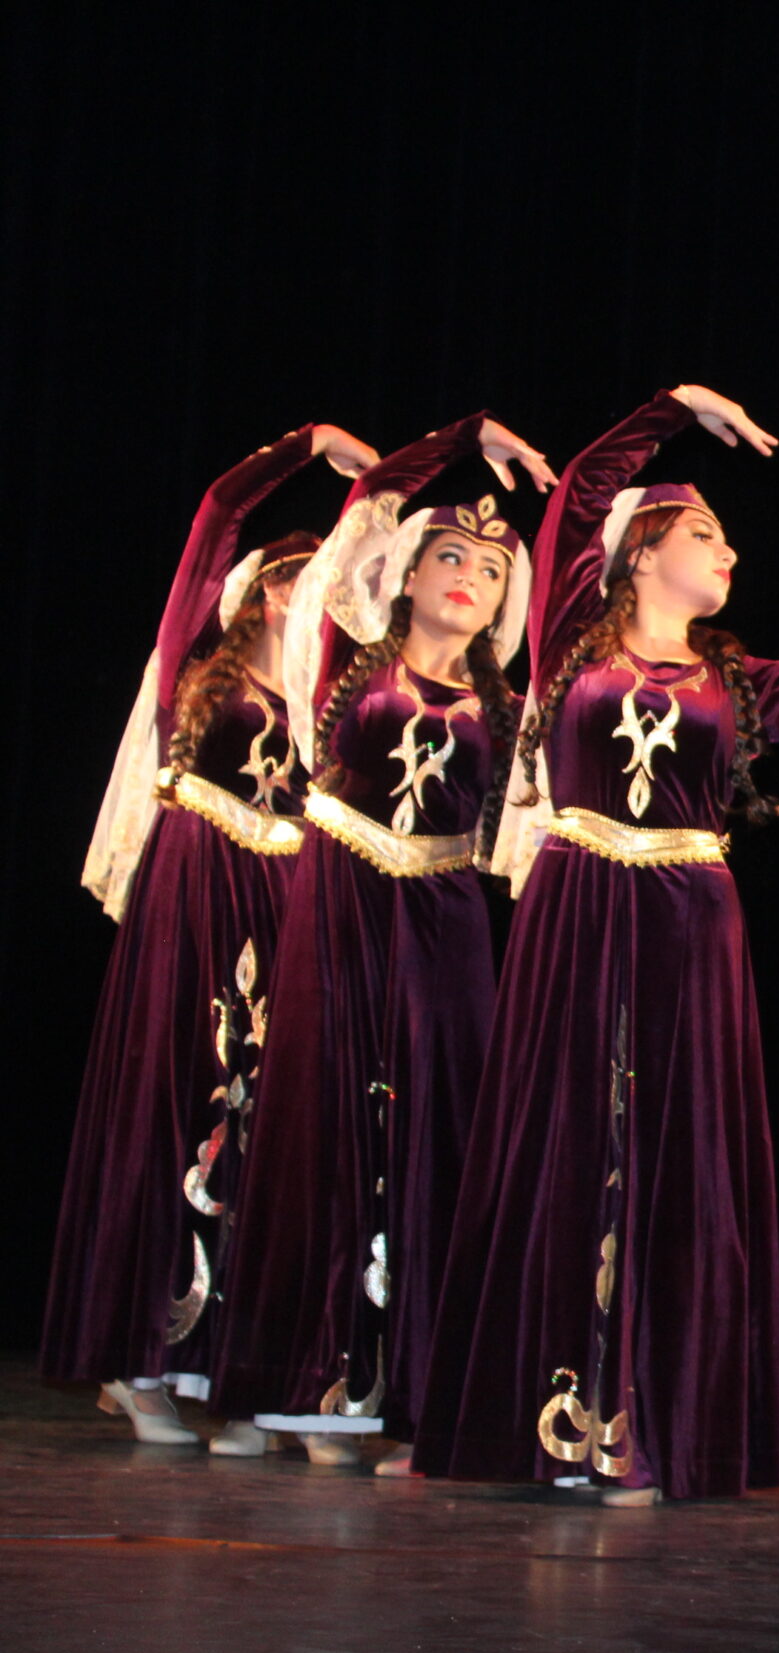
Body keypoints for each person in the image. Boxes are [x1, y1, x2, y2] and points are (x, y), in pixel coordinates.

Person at [413, 386, 779, 1505]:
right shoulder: (565, 647)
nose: (727, 551)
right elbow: (577, 495)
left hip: (692, 923)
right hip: (579, 909)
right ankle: (543, 1418)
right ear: (639, 553)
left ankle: (644, 1417)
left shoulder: (739, 681)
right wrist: (668, 413)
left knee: (673, 1160)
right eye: (703, 534)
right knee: (563, 1146)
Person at [209, 413, 553, 1471]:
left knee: (437, 1135)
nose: (467, 578)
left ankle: (409, 1393)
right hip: (344, 895)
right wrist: (451, 443)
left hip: (448, 915)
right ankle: (311, 1388)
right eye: (448, 556)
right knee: (325, 1124)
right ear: (405, 575)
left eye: (491, 569)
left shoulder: (508, 707)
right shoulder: (344, 662)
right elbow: (364, 520)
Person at [47, 422, 378, 1444]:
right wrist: (304, 450)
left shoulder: (327, 699)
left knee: (264, 1134)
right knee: (178, 1106)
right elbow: (213, 521)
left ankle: (227, 1370)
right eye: (315, 582)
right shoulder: (200, 663)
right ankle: (140, 1363)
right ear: (276, 590)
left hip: (290, 905)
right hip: (198, 901)